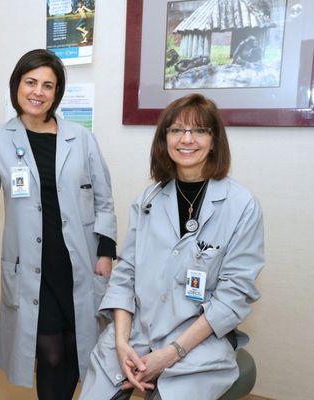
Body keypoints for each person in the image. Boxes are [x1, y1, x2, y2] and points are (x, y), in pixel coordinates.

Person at [80, 94, 265, 400]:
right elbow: (126, 274)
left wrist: (170, 353)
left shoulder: (241, 205)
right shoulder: (149, 199)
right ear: (164, 139)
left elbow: (234, 296)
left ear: (214, 140)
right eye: (176, 130)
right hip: (138, 329)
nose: (187, 139)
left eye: (200, 131)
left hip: (199, 338)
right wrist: (122, 342)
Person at [0, 49, 117, 400]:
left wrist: (106, 252)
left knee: (75, 346)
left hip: (79, 262)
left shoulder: (80, 138)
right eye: (30, 82)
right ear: (17, 86)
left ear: (57, 92)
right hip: (32, 267)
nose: (38, 92)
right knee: (50, 352)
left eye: (47, 85)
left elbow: (104, 198)